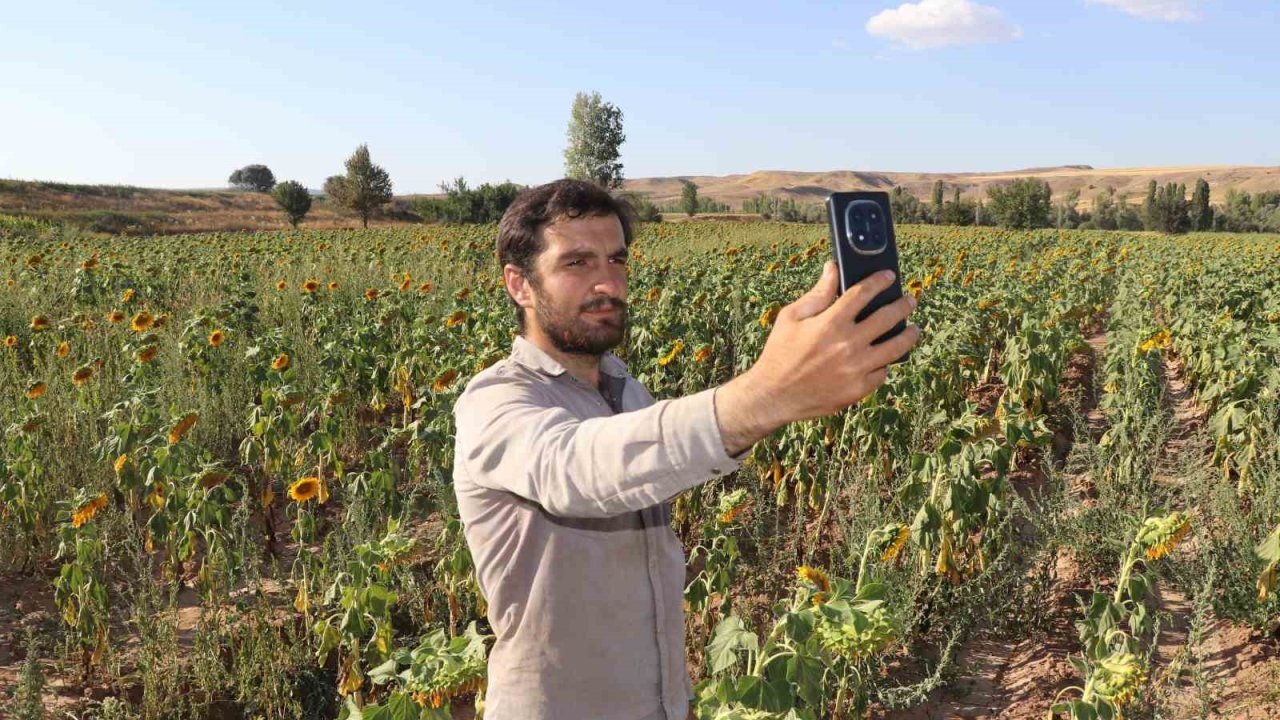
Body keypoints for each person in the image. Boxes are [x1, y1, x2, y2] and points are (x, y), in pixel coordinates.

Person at [451, 178, 921, 720]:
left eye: (616, 260)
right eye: (577, 263)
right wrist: (763, 395)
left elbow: (649, 472)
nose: (607, 282)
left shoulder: (625, 388)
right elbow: (577, 469)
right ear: (520, 285)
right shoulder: (496, 400)